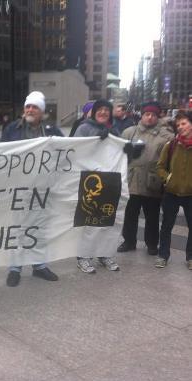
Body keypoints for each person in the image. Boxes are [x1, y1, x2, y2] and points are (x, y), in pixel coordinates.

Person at [1, 91, 61, 287]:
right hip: (19, 188)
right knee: (18, 228)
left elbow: (69, 151)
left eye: (34, 107)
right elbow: (1, 153)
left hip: (43, 188)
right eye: (28, 106)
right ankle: (15, 268)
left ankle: (39, 265)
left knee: (40, 228)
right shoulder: (12, 129)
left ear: (42, 111)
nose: (30, 110)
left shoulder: (53, 131)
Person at [118, 101, 174, 255]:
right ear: (141, 116)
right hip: (132, 181)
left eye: (153, 115)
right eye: (147, 114)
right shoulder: (129, 132)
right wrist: (126, 151)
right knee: (130, 215)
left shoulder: (166, 136)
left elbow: (170, 159)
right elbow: (118, 155)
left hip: (153, 183)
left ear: (158, 117)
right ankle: (129, 241)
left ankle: (151, 244)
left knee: (152, 217)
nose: (149, 118)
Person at [73, 99, 120, 273]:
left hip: (110, 181)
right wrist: (95, 141)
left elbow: (120, 154)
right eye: (99, 109)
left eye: (106, 110)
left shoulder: (114, 130)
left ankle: (104, 253)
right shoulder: (84, 128)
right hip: (89, 180)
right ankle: (83, 257)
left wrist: (130, 151)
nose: (103, 112)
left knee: (107, 219)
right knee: (89, 220)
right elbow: (75, 150)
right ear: (94, 112)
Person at [155, 111, 192, 268]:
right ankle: (163, 255)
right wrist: (167, 178)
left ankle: (190, 258)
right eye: (178, 125)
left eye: (184, 123)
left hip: (190, 194)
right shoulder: (171, 145)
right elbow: (160, 167)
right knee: (166, 226)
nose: (180, 127)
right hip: (171, 193)